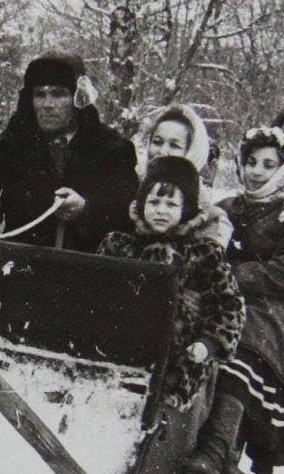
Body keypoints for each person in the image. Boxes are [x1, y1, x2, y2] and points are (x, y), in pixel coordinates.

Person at [186, 128, 284, 474]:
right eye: (250, 162)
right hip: (224, 296)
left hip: (271, 310)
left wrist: (226, 273)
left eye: (268, 165)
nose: (256, 172)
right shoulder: (228, 207)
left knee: (239, 344)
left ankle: (216, 450)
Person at [97, 155, 245, 449]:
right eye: (154, 203)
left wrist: (208, 344)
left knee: (165, 396)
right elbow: (95, 290)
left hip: (178, 356)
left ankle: (155, 439)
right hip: (122, 347)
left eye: (171, 204)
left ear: (186, 209)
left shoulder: (202, 253)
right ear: (141, 205)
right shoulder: (119, 245)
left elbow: (229, 305)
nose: (161, 211)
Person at [0, 52, 137, 251]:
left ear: (77, 98)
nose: (48, 104)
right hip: (22, 266)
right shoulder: (13, 145)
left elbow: (129, 211)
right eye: (40, 94)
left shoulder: (112, 149)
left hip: (88, 270)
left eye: (58, 94)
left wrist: (86, 209)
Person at [136, 103, 231, 244]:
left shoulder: (208, 217)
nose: (162, 151)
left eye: (174, 145)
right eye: (157, 142)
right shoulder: (133, 189)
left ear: (192, 151)